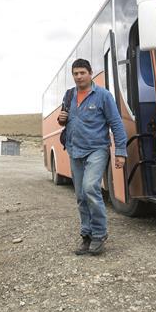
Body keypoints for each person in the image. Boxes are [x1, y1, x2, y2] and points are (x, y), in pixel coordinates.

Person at [57, 59, 127, 256]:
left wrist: (120, 151)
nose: (79, 77)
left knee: (90, 188)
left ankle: (99, 234)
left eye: (82, 73)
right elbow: (67, 120)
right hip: (74, 150)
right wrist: (61, 120)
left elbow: (116, 123)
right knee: (80, 195)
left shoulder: (103, 96)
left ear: (90, 73)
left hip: (97, 149)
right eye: (75, 74)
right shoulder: (69, 95)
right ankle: (86, 235)